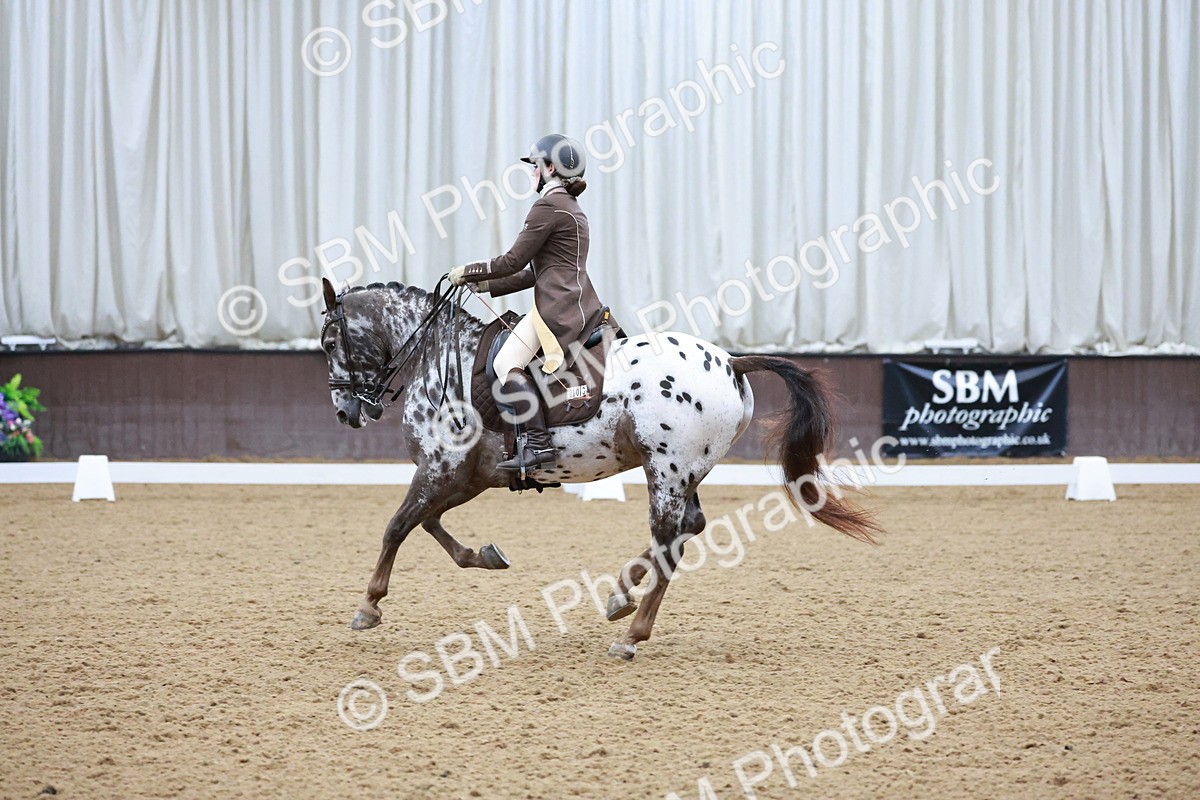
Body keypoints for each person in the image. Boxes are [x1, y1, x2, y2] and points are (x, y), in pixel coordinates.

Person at [450, 134, 613, 472]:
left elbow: (513, 260)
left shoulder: (548, 206)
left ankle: (537, 444)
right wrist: (485, 284)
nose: (531, 174)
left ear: (549, 168)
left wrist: (467, 270)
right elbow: (534, 272)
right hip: (575, 300)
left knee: (505, 363)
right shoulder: (572, 208)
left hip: (557, 309)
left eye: (535, 167)